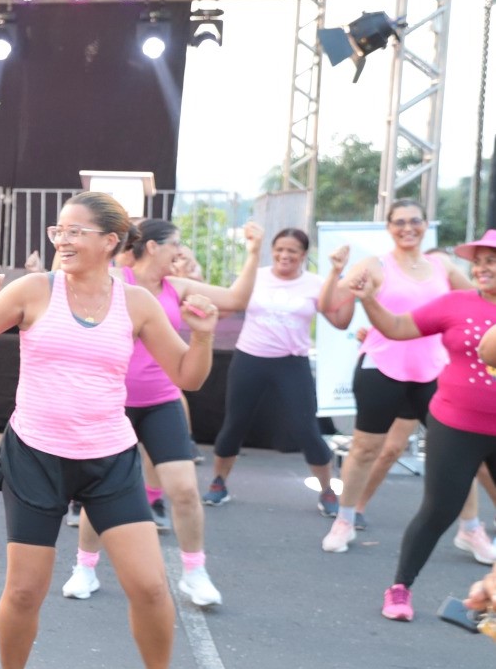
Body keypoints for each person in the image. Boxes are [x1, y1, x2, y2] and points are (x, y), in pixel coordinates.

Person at [0, 192, 214, 669]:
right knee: (24, 591)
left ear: (111, 241)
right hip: (36, 454)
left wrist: (204, 335)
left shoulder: (135, 303)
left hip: (109, 457)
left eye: (74, 232)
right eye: (58, 231)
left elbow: (188, 376)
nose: (61, 241)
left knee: (150, 587)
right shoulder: (33, 289)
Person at [61, 219, 262, 609]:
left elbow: (236, 299)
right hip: (111, 402)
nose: (181, 253)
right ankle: (84, 567)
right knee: (98, 491)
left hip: (160, 401)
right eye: (176, 245)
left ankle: (195, 573)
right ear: (152, 247)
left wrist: (254, 252)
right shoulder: (114, 280)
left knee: (185, 490)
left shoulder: (178, 288)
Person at [351, 229, 496, 621]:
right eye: (479, 261)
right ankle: (399, 589)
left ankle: (489, 596)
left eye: (492, 260)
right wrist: (367, 300)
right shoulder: (456, 303)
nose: (483, 268)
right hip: (456, 425)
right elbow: (397, 327)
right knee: (438, 511)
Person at [320, 200, 480, 554]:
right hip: (382, 368)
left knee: (456, 451)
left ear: (425, 225)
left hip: (433, 372)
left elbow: (478, 302)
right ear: (389, 227)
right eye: (399, 222)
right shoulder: (374, 265)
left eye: (415, 221)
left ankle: (470, 529)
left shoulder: (442, 265)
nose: (408, 228)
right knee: (365, 449)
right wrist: (334, 273)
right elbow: (334, 311)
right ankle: (344, 521)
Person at [205, 228, 345, 512]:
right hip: (250, 358)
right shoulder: (256, 276)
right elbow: (227, 307)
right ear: (272, 251)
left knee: (307, 429)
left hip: (291, 363)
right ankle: (218, 482)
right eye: (280, 249)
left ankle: (328, 491)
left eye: (292, 251)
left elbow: (338, 319)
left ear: (304, 255)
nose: (285, 255)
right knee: (235, 424)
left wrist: (339, 277)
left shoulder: (315, 283)